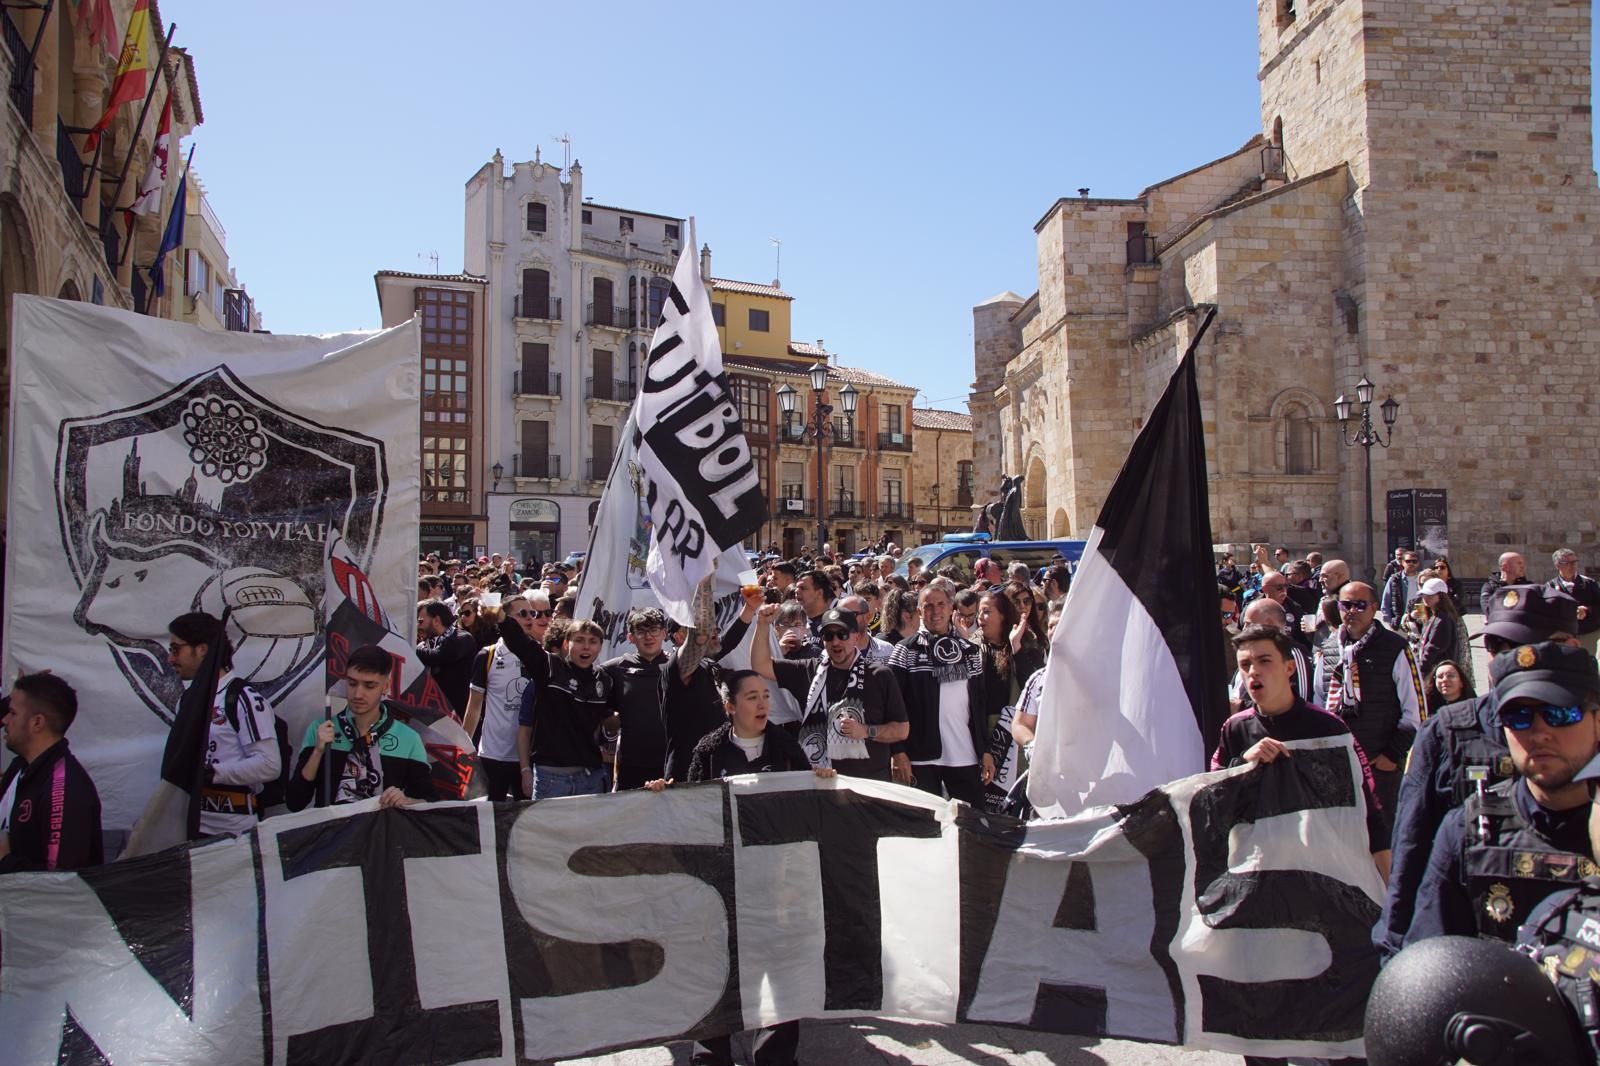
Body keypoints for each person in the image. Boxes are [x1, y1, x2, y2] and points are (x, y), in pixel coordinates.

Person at [1376, 584, 1582, 958]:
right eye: (1495, 648)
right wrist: (1396, 951)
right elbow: (1412, 846)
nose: (1505, 661)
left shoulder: (1588, 728)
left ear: (1569, 647)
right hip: (1476, 950)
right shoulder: (1448, 731)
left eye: (1520, 648)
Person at [645, 669, 834, 1066]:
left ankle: (775, 1053)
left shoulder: (785, 749)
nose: (763, 703)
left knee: (777, 969)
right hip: (724, 882)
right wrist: (663, 796)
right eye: (751, 697)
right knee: (718, 972)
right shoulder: (709, 751)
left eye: (765, 695)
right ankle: (711, 1054)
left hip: (775, 882)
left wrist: (820, 783)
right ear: (730, 706)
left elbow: (804, 810)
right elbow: (691, 809)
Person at [1406, 642, 1600, 946]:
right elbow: (1433, 963)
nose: (1538, 732)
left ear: (1597, 720)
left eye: (1559, 714)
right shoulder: (1468, 830)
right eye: (1518, 716)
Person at [749, 603, 908, 780]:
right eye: (829, 635)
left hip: (868, 785)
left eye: (842, 634)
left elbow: (901, 730)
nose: (835, 642)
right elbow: (760, 665)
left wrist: (866, 731)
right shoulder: (810, 670)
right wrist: (762, 624)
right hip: (820, 784)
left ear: (856, 637)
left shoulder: (880, 675)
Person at [1314, 580, 1422, 821]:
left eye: (1359, 605)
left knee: (1381, 838)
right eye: (1346, 605)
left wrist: (1392, 755)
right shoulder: (1331, 647)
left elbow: (1415, 710)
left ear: (1374, 608)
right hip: (1337, 761)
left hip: (1378, 762)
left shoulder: (1395, 648)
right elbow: (1319, 699)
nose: (1351, 611)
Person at [167, 611, 281, 837]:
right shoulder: (187, 700)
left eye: (175, 649)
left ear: (202, 650)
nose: (170, 659)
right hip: (190, 827)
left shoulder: (242, 697)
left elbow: (269, 765)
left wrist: (211, 773)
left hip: (233, 833)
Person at [287, 645, 437, 810]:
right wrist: (317, 752)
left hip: (383, 832)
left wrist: (406, 801)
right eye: (352, 684)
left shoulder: (408, 738)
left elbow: (429, 802)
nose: (358, 694)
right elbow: (295, 802)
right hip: (331, 833)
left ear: (386, 686)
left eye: (369, 686)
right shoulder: (322, 728)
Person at [888, 580, 995, 804]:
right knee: (925, 829)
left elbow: (979, 704)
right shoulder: (904, 650)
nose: (935, 611)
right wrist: (897, 752)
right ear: (919, 611)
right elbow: (893, 704)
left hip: (964, 753)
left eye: (941, 604)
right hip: (920, 755)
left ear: (951, 608)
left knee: (970, 826)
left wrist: (985, 750)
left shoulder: (970, 651)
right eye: (928, 606)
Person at [497, 614, 616, 800]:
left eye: (593, 641)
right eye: (579, 640)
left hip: (590, 777)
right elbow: (523, 645)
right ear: (567, 644)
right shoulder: (550, 667)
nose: (586, 647)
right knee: (547, 831)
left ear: (600, 646)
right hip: (551, 778)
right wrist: (502, 620)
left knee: (589, 830)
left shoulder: (605, 680)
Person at [0, 672, 102, 873]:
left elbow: (61, 881)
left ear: (37, 723)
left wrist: (5, 861)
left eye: (12, 713)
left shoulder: (65, 790)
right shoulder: (20, 768)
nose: (4, 720)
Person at [462, 593, 539, 802]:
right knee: (493, 817)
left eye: (533, 612)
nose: (530, 618)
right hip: (493, 754)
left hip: (530, 756)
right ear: (505, 618)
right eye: (523, 613)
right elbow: (474, 706)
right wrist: (464, 747)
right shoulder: (487, 655)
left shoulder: (541, 654)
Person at [600, 607, 673, 791]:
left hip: (671, 762)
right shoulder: (614, 669)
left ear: (664, 633)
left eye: (654, 630)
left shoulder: (677, 666)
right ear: (630, 636)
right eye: (641, 631)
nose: (648, 637)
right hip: (631, 765)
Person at [1226, 598, 1310, 713]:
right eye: (1245, 664)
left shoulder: (1293, 653)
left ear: (1269, 624)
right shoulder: (1246, 653)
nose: (1244, 629)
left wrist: (1241, 707)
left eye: (1249, 624)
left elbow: (1300, 701)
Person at [416, 598, 477, 717]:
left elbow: (437, 656)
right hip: (433, 711)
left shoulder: (461, 638)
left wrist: (414, 648)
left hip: (458, 714)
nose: (418, 626)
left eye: (421, 621)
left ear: (436, 620)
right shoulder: (428, 642)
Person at [1414, 576, 1465, 701]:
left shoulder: (1442, 620)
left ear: (1440, 597)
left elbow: (1432, 649)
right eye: (1424, 594)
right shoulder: (1435, 617)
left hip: (1437, 673)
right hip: (1434, 672)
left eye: (1430, 595)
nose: (1425, 598)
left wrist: (1420, 670)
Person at [1549, 547, 1600, 658]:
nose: (1572, 566)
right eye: (1567, 563)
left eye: (1574, 562)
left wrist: (1586, 610)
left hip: (1588, 633)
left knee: (1588, 664)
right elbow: (1548, 612)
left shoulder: (1589, 583)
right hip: (1564, 635)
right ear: (1557, 565)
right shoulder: (1550, 587)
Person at [1380, 550, 1421, 629]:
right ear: (1402, 562)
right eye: (1408, 561)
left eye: (1414, 561)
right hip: (1399, 624)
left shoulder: (1422, 578)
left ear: (1418, 563)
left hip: (1418, 624)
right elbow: (1385, 602)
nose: (1411, 564)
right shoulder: (1394, 579)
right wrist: (1390, 622)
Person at [1481, 551, 1528, 615]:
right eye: (1519, 563)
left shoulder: (1527, 586)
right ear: (1505, 567)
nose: (1522, 566)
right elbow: (1488, 610)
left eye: (1523, 563)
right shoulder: (1490, 587)